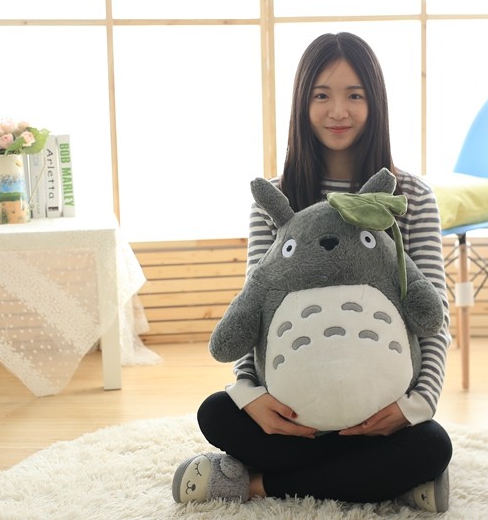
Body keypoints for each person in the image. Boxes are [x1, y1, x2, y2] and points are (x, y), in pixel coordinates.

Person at [172, 31, 453, 513]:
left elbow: (434, 315)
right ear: (303, 103)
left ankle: (253, 485)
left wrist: (414, 406)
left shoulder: (411, 196)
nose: (337, 111)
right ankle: (387, 482)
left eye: (354, 95)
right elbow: (256, 306)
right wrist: (251, 394)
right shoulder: (275, 197)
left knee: (430, 444)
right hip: (295, 411)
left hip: (378, 410)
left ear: (375, 103)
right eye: (321, 95)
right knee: (218, 413)